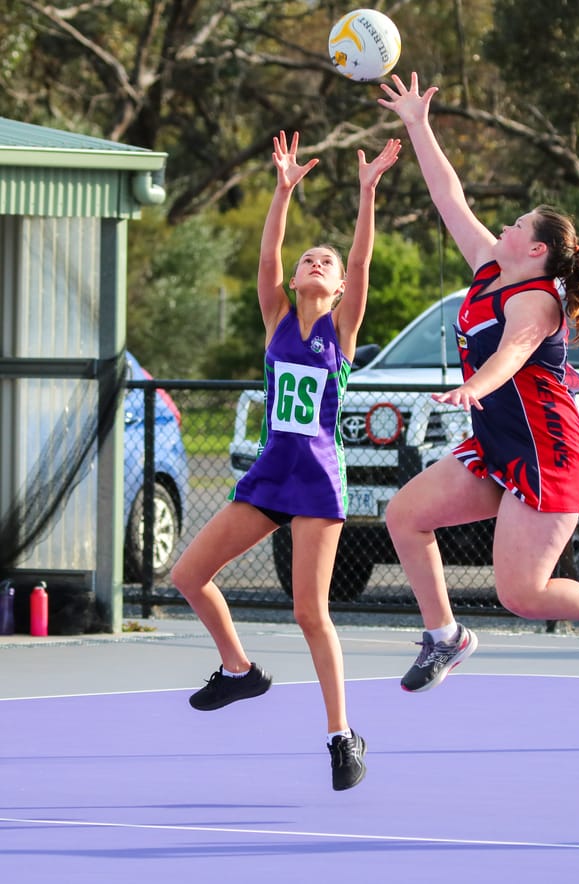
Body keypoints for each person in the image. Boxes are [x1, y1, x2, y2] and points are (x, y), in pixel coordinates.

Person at [375, 72, 579, 692]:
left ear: (538, 251)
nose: (506, 227)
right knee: (404, 515)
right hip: (496, 443)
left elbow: (513, 353)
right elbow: (448, 197)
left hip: (548, 451)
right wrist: (418, 124)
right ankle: (444, 637)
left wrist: (475, 387)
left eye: (518, 224)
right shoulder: (492, 267)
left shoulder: (538, 300)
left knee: (524, 594)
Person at [170, 130, 401, 792]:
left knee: (309, 612)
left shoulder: (342, 326)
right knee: (189, 573)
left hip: (320, 479)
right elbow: (269, 252)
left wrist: (367, 191)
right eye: (309, 258)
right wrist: (281, 189)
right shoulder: (276, 317)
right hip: (271, 472)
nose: (315, 261)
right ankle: (238, 670)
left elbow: (361, 261)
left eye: (323, 260)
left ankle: (340, 734)